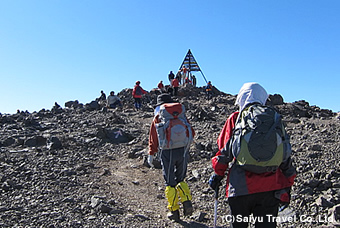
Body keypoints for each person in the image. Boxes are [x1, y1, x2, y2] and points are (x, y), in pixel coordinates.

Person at [208, 82, 296, 228]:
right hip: (270, 187)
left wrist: (218, 174)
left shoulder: (236, 118)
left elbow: (224, 150)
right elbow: (285, 152)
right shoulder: (273, 118)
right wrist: (288, 181)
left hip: (240, 187)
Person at [148, 93, 195, 221]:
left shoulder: (158, 116)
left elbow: (153, 138)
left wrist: (151, 154)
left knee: (170, 181)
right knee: (181, 178)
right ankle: (186, 201)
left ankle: (174, 211)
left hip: (167, 152)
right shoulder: (180, 114)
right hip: (183, 150)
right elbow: (192, 132)